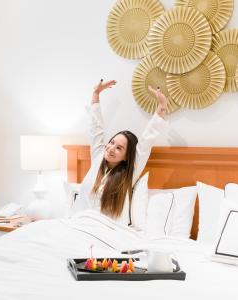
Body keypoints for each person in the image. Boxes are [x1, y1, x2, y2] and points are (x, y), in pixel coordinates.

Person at [72, 79, 168, 228]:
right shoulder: (98, 157)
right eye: (111, 142)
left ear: (126, 157)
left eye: (119, 148)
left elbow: (147, 141)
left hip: (108, 234)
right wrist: (96, 94)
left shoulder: (129, 173)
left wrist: (162, 106)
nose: (111, 148)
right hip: (77, 227)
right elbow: (96, 128)